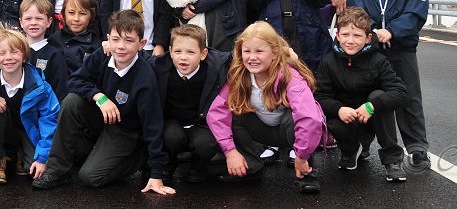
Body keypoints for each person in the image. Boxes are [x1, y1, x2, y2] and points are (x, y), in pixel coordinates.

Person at [32, 10, 175, 195]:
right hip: (102, 118)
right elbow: (75, 80)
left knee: (89, 177)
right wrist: (99, 96)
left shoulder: (145, 76)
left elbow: (152, 124)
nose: (121, 46)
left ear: (141, 44)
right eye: (116, 39)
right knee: (72, 101)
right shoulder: (103, 55)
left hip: (125, 131)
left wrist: (156, 173)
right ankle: (57, 171)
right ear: (108, 39)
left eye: (129, 40)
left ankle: (140, 158)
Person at [347, 0, 430, 172]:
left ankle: (416, 147)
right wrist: (372, 31)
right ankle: (361, 143)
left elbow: (416, 11)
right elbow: (355, 6)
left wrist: (391, 31)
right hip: (370, 47)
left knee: (408, 96)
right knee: (365, 95)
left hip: (401, 47)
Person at [207, 22, 324, 193]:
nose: (252, 57)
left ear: (274, 53)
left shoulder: (290, 76)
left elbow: (310, 118)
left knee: (294, 117)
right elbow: (216, 113)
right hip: (262, 131)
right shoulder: (239, 76)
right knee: (235, 113)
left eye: (259, 51)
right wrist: (230, 152)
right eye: (247, 51)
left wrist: (302, 156)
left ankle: (306, 172)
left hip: (288, 132)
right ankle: (251, 167)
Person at [315, 7, 408, 181]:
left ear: (368, 38)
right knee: (330, 116)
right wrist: (338, 109)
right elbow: (320, 96)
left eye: (357, 36)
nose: (350, 41)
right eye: (345, 35)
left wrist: (372, 106)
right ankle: (350, 150)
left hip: (370, 117)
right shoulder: (328, 62)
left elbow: (400, 92)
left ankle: (392, 159)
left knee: (380, 97)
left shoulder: (379, 61)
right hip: (345, 117)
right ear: (337, 35)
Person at [0, 28, 60, 185]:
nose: (8, 58)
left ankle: (20, 153)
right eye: (1, 53)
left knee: (35, 172)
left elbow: (49, 121)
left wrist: (42, 158)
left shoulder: (40, 86)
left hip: (27, 133)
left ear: (24, 55)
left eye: (14, 52)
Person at [151, 24, 231, 182]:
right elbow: (135, 60)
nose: (183, 57)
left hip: (200, 123)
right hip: (172, 122)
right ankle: (169, 163)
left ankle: (198, 167)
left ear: (203, 54)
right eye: (178, 51)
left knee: (205, 143)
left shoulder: (214, 70)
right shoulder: (159, 68)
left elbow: (241, 55)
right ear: (170, 51)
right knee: (171, 137)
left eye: (191, 52)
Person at [19, 0, 68, 101]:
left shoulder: (55, 54)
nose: (33, 23)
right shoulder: (13, 50)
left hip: (45, 108)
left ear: (49, 22)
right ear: (21, 22)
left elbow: (60, 91)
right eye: (28, 18)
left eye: (39, 18)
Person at [51, 0, 102, 74]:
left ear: (91, 16)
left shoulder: (96, 46)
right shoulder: (54, 40)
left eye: (82, 13)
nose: (76, 18)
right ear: (63, 14)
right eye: (71, 13)